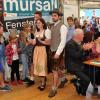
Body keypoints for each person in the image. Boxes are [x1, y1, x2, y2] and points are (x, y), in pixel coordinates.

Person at [65, 29, 94, 98]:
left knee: (92, 75)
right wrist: (83, 49)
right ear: (78, 36)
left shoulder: (80, 43)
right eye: (82, 34)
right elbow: (76, 55)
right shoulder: (69, 44)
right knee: (87, 80)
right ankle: (81, 89)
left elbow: (83, 55)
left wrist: (88, 49)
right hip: (73, 66)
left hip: (80, 64)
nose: (84, 36)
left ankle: (78, 83)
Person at [48, 9, 68, 97]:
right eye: (52, 15)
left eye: (55, 15)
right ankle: (63, 78)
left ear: (59, 17)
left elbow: (63, 41)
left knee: (54, 70)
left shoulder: (63, 27)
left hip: (57, 51)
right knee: (57, 69)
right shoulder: (52, 26)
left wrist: (58, 53)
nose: (53, 17)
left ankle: (54, 89)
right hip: (52, 50)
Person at [33, 18, 51, 91]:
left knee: (42, 66)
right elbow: (34, 43)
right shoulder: (36, 32)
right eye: (37, 23)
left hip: (43, 50)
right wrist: (29, 40)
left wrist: (40, 41)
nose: (38, 24)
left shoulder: (46, 31)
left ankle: (43, 83)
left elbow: (49, 43)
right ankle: (42, 81)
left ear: (43, 23)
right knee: (38, 66)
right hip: (36, 50)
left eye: (39, 23)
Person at [0, 22, 12, 91]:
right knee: (1, 71)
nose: (2, 30)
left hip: (2, 56)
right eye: (1, 29)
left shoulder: (2, 37)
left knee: (2, 70)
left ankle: (2, 83)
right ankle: (2, 85)